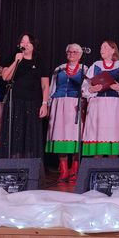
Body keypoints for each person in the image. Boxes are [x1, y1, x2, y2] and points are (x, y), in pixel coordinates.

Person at [0, 33, 50, 158]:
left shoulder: (39, 61)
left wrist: (44, 103)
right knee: (14, 134)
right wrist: (16, 61)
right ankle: (12, 162)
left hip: (33, 103)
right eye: (23, 42)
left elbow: (45, 85)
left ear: (33, 45)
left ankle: (29, 163)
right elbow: (5, 77)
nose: (25, 45)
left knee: (30, 135)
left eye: (28, 42)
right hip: (15, 102)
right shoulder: (13, 58)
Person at [45, 44, 88, 182]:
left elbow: (87, 88)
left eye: (75, 52)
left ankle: (74, 168)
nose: (71, 54)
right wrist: (48, 104)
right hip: (59, 102)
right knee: (60, 135)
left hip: (75, 103)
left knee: (75, 135)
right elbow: (52, 87)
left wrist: (84, 102)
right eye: (69, 51)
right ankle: (63, 170)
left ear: (80, 55)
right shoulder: (59, 69)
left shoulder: (84, 69)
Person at [82, 40, 119, 157]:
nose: (102, 50)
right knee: (97, 133)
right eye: (101, 47)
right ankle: (97, 163)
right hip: (98, 104)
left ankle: (113, 164)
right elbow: (85, 85)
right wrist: (91, 89)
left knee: (113, 133)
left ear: (113, 50)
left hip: (114, 105)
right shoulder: (96, 65)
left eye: (105, 47)